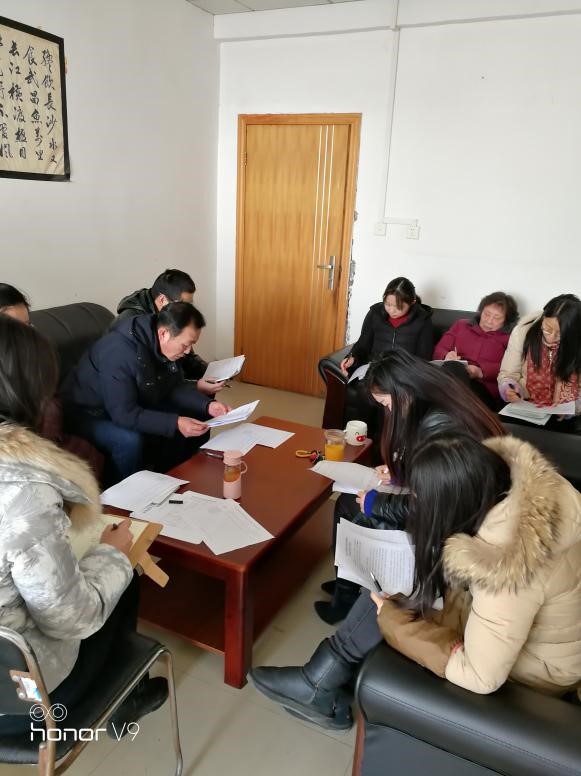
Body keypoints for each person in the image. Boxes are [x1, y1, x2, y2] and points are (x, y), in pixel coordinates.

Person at [249, 433, 581, 731]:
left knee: (393, 600)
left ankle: (318, 684)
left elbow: (480, 676)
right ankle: (324, 682)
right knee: (401, 583)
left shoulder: (508, 571)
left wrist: (394, 622)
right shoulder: (522, 497)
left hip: (535, 669)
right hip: (531, 634)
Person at [0, 315, 168, 737]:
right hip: (22, 695)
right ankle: (125, 702)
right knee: (124, 570)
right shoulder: (24, 494)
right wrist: (115, 554)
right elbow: (72, 619)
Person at [315, 350, 505, 624]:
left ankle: (348, 596)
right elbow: (434, 471)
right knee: (346, 503)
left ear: (403, 390)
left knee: (359, 511)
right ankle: (348, 583)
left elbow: (434, 504)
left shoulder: (441, 425)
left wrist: (377, 503)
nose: (389, 412)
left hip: (461, 517)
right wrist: (400, 474)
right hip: (456, 499)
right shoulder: (433, 401)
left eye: (386, 404)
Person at [61, 302, 230, 487]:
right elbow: (124, 414)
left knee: (195, 412)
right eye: (186, 345)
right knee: (129, 440)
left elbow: (174, 386)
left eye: (192, 345)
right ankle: (122, 495)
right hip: (87, 412)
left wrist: (207, 405)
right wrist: (175, 423)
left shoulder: (162, 344)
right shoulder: (120, 352)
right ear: (164, 333)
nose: (188, 351)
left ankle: (170, 477)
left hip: (126, 402)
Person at [0, 283, 104, 479]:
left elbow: (52, 397)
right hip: (21, 449)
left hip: (49, 435)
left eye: (28, 325)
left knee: (89, 453)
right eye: (16, 328)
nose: (27, 335)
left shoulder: (37, 353)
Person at [115, 268, 220, 396]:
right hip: (137, 388)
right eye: (182, 304)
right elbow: (148, 378)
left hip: (161, 378)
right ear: (162, 300)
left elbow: (187, 356)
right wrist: (194, 386)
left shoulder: (171, 316)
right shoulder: (134, 325)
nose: (187, 310)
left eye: (189, 305)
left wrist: (212, 372)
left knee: (207, 387)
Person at [498, 293, 581, 426]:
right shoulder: (522, 332)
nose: (551, 337)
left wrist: (573, 407)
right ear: (543, 318)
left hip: (566, 413)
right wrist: (509, 387)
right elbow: (508, 373)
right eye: (547, 329)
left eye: (559, 334)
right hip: (526, 405)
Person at [433, 291, 519, 408]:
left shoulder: (510, 338)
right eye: (487, 314)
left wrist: (480, 371)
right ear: (481, 311)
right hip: (452, 376)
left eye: (497, 318)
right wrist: (446, 356)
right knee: (453, 368)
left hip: (484, 387)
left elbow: (510, 368)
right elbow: (440, 349)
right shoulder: (461, 325)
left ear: (506, 320)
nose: (489, 320)